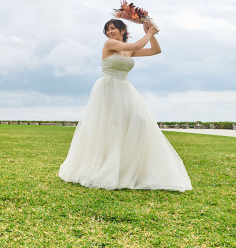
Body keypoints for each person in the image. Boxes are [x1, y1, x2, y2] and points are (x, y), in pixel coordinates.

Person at [58, 18, 192, 191]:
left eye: (113, 28)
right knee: (111, 129)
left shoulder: (127, 50)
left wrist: (149, 34)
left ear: (123, 31)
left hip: (125, 90)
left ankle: (127, 168)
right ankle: (106, 168)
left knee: (139, 123)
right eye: (107, 29)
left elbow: (156, 50)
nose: (109, 31)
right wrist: (150, 32)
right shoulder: (109, 45)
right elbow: (136, 46)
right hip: (108, 90)